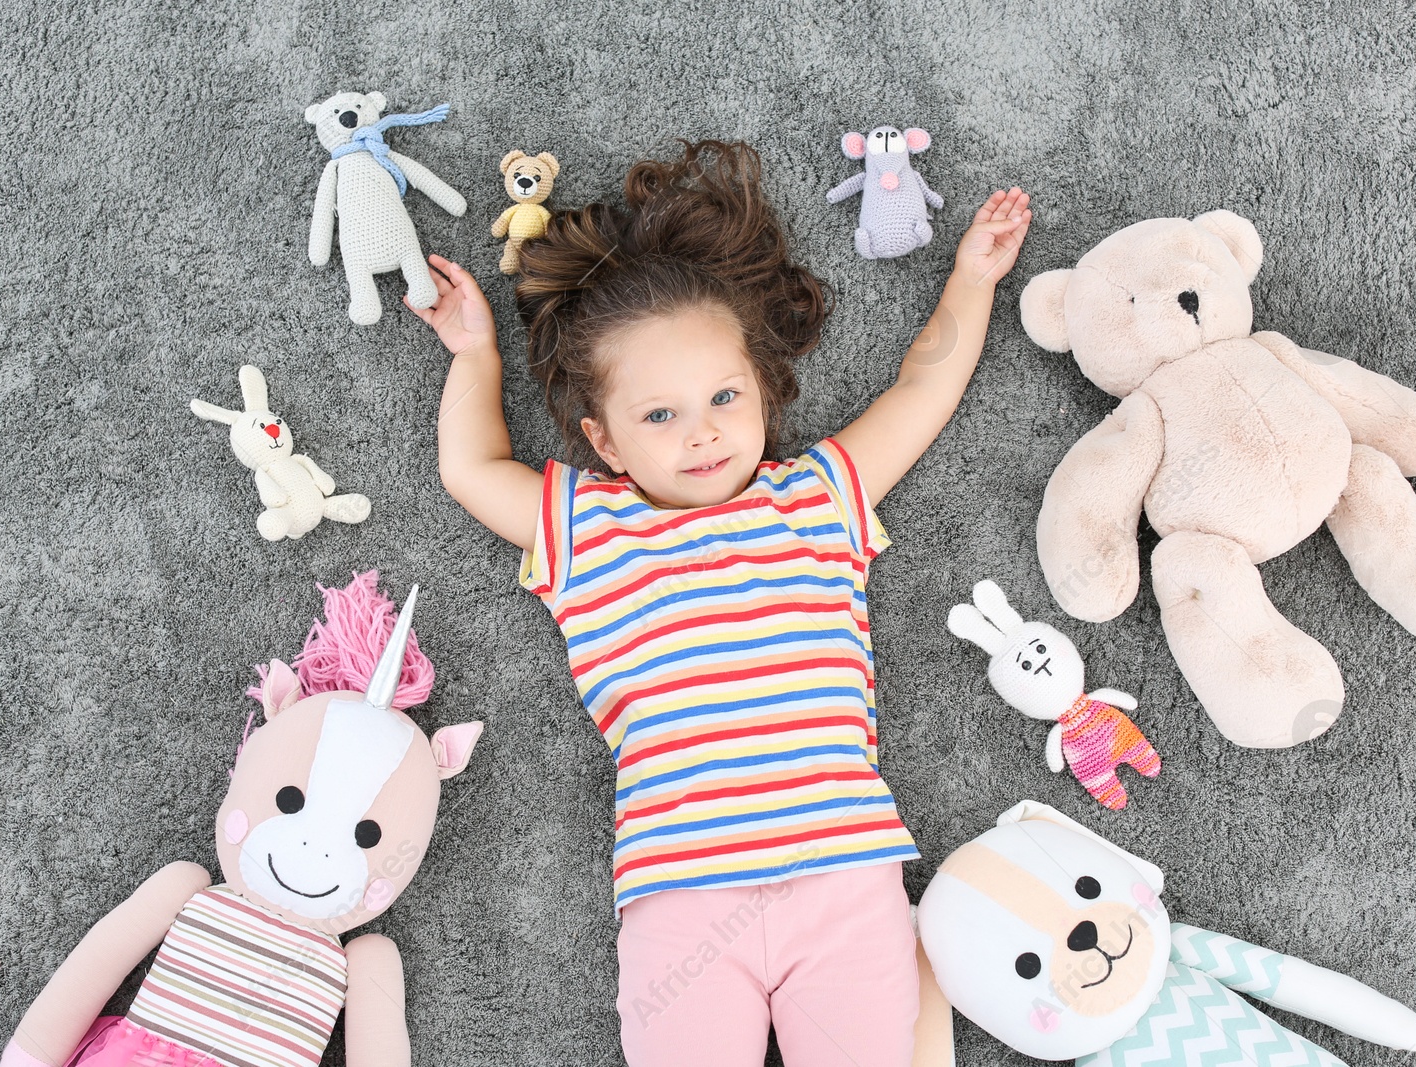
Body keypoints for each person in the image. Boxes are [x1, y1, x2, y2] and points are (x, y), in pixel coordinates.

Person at [407, 139, 1031, 1067]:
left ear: (762, 395)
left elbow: (921, 389)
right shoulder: (585, 524)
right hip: (681, 891)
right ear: (604, 441)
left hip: (843, 870)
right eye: (658, 416)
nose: (701, 433)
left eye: (724, 397)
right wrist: (474, 352)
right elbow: (471, 468)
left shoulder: (818, 497)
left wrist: (971, 281)